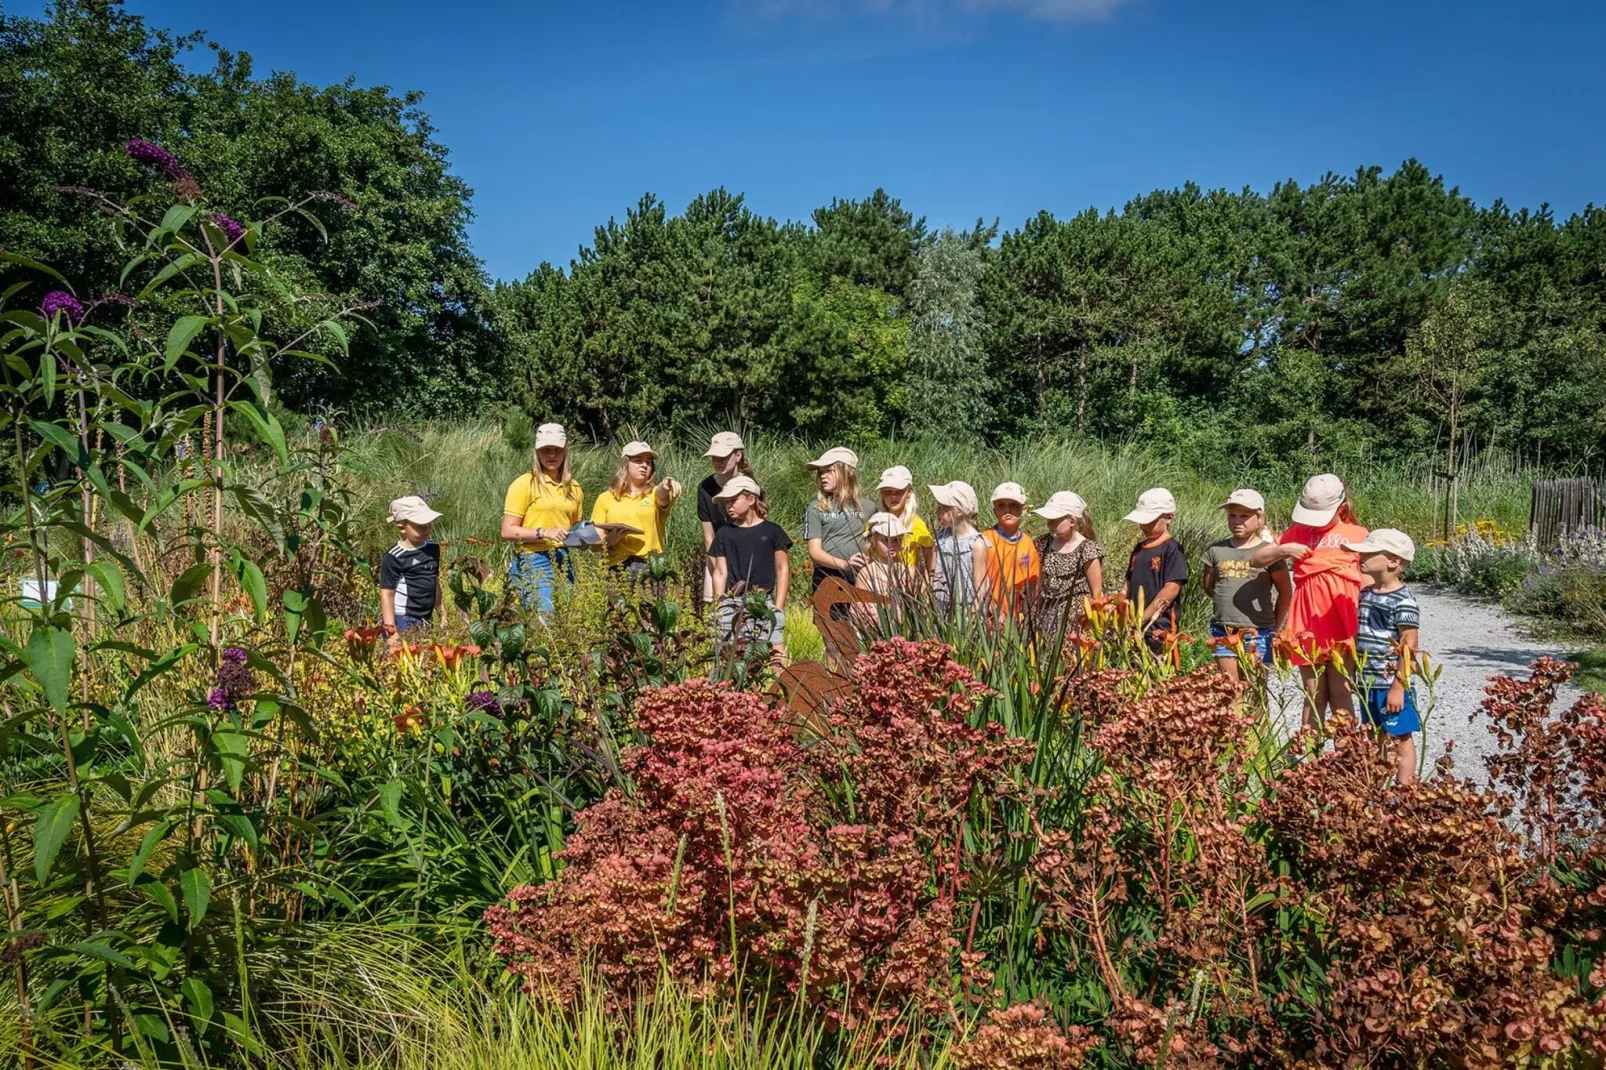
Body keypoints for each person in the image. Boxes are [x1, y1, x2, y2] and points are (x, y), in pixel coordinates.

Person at [1250, 473, 1369, 732]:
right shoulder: (1296, 533)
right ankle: (1309, 757)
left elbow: (1370, 576)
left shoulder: (1357, 534)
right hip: (1307, 621)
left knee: (1341, 688)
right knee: (1314, 691)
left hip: (1341, 617)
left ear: (1341, 507)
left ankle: (1346, 755)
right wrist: (1284, 549)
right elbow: (1257, 559)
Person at [1345, 529, 1422, 785]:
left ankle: (1405, 790)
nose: (1361, 556)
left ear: (1393, 561)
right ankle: (1377, 787)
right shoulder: (1366, 594)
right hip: (1369, 682)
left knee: (1400, 737)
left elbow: (1409, 647)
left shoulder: (1404, 602)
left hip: (1389, 684)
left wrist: (1398, 688)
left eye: (1369, 552)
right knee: (1375, 735)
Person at [1201, 489, 1291, 681]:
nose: (1237, 520)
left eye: (1244, 516)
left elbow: (1285, 592)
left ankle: (1258, 713)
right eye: (1232, 515)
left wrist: (1276, 625)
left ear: (1259, 519)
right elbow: (1209, 585)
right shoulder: (1216, 550)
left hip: (1258, 631)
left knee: (1256, 689)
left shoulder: (1269, 553)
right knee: (1229, 688)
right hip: (1223, 629)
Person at [708, 475, 792, 667]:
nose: (729, 506)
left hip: (764, 601)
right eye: (726, 502)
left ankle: (781, 691)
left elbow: (782, 568)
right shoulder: (724, 534)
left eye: (733, 500)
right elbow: (720, 572)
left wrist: (779, 605)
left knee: (774, 650)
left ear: (751, 499)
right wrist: (719, 603)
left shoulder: (772, 531)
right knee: (730, 654)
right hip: (732, 602)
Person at [501, 423, 583, 613]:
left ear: (565, 451)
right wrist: (544, 532)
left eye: (557, 450)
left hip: (563, 558)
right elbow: (507, 530)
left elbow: (573, 528)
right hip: (534, 557)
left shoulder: (575, 488)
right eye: (546, 450)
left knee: (566, 616)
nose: (552, 455)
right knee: (544, 616)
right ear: (537, 452)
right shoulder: (524, 484)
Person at [593, 440, 682, 579]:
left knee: (648, 600)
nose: (644, 465)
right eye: (638, 460)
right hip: (615, 568)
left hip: (648, 568)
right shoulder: (606, 498)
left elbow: (661, 496)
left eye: (648, 462)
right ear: (625, 464)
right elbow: (595, 543)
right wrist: (610, 540)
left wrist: (665, 485)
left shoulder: (653, 494)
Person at [1121, 488, 1189, 654]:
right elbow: (1127, 586)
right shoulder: (1138, 549)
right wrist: (1120, 611)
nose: (1144, 525)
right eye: (1142, 520)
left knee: (1157, 677)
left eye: (1150, 520)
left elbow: (1171, 588)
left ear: (1169, 517)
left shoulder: (1172, 549)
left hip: (1158, 629)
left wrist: (1141, 619)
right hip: (1132, 627)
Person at [1033, 491, 1104, 635]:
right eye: (1048, 520)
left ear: (1072, 521)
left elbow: (1096, 592)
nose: (1049, 524)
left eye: (1054, 520)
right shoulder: (1043, 543)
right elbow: (1039, 579)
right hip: (1047, 612)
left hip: (1075, 617)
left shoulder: (1087, 549)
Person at [803, 447, 868, 593]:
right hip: (827, 576)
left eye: (829, 471)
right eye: (821, 472)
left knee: (862, 615)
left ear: (847, 472)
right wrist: (844, 564)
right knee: (827, 616)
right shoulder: (816, 508)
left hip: (862, 576)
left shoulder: (868, 506)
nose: (823, 476)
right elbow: (814, 552)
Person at [698, 432, 753, 603]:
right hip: (717, 555)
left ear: (738, 455)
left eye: (723, 456)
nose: (718, 462)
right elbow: (709, 537)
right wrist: (721, 571)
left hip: (747, 557)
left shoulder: (750, 486)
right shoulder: (705, 487)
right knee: (716, 613)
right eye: (714, 457)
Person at [380, 495, 442, 640]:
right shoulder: (394, 556)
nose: (426, 529)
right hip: (403, 618)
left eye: (429, 523)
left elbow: (434, 580)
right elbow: (387, 594)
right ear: (402, 528)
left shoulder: (433, 548)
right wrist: (391, 631)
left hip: (426, 617)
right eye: (420, 526)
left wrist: (442, 612)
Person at [978, 483, 1040, 616]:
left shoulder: (1029, 544)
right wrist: (995, 612)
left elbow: (1032, 585)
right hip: (990, 618)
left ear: (1024, 510)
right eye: (1001, 505)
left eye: (1014, 505)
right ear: (995, 511)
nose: (1007, 510)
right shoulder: (984, 540)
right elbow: (979, 582)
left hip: (1019, 620)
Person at [929, 481, 984, 615]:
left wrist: (975, 612)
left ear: (959, 511)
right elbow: (932, 573)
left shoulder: (976, 544)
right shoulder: (940, 539)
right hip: (940, 606)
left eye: (942, 508)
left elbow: (981, 585)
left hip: (966, 610)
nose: (937, 512)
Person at [873, 465, 934, 571]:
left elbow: (931, 561)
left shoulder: (917, 525)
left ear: (909, 492)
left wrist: (929, 580)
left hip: (906, 582)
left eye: (899, 491)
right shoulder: (876, 521)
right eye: (888, 492)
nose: (893, 497)